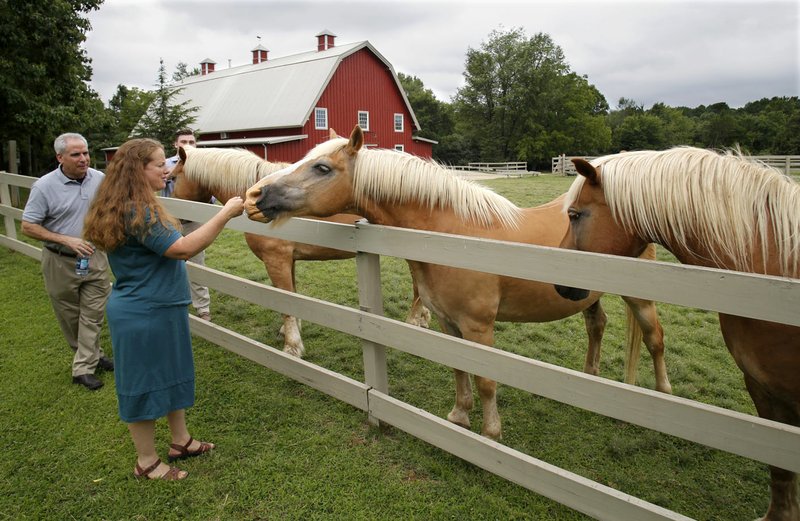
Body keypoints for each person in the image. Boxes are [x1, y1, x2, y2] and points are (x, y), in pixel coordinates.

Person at [83, 138, 244, 480]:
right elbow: (182, 248)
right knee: (142, 384)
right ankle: (146, 462)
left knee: (171, 375)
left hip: (159, 307)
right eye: (160, 165)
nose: (168, 170)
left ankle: (181, 441)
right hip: (145, 312)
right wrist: (226, 212)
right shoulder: (138, 210)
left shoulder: (137, 204)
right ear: (139, 170)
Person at [21, 133, 113, 391]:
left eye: (85, 153)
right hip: (59, 260)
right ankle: (94, 355)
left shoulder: (100, 179)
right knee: (71, 316)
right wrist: (66, 240)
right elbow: (28, 226)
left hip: (94, 257)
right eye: (76, 154)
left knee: (93, 314)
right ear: (60, 157)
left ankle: (82, 368)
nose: (84, 159)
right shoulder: (44, 186)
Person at [162, 128, 212, 321]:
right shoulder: (165, 165)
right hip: (169, 222)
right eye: (184, 142)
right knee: (166, 264)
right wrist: (166, 177)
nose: (188, 145)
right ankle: (170, 303)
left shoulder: (203, 166)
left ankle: (203, 308)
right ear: (176, 144)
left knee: (197, 263)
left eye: (192, 142)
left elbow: (212, 198)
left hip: (193, 223)